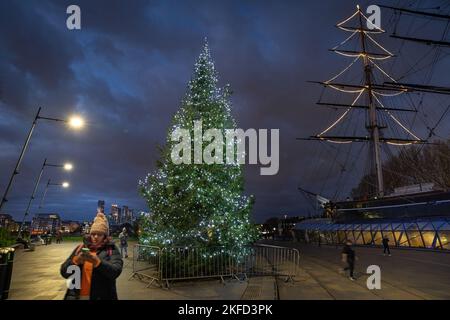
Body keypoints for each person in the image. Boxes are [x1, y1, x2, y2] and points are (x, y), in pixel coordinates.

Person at [60, 212, 123, 300]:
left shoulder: (111, 249)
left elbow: (115, 271)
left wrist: (98, 263)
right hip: (76, 296)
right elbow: (64, 272)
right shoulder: (80, 248)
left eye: (99, 234)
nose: (96, 237)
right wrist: (75, 261)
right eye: (93, 234)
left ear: (105, 236)